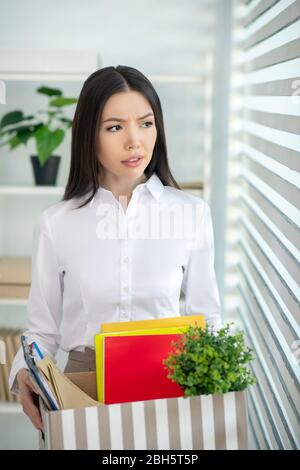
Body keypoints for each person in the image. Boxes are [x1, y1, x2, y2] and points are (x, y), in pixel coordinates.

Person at [8, 65, 222, 432]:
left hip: (166, 388)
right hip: (81, 390)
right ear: (89, 134)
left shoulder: (192, 214)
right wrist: (25, 374)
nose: (135, 141)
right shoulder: (56, 223)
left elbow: (209, 321)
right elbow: (41, 332)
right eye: (115, 127)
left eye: (146, 123)